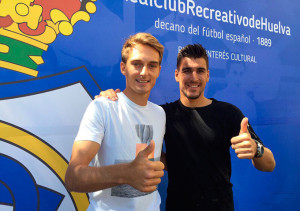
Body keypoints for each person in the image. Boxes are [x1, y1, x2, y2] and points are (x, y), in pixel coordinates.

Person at [98, 44, 276, 211]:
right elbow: (151, 153)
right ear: (177, 75)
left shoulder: (229, 113)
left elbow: (269, 164)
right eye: (187, 71)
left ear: (208, 75)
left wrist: (256, 150)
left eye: (200, 71)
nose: (194, 77)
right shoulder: (161, 114)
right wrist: (113, 99)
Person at [65, 32, 166, 211]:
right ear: (123, 67)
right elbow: (73, 177)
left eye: (152, 65)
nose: (144, 72)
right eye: (137, 64)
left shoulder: (160, 114)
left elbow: (153, 158)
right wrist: (125, 173)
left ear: (159, 70)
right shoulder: (102, 107)